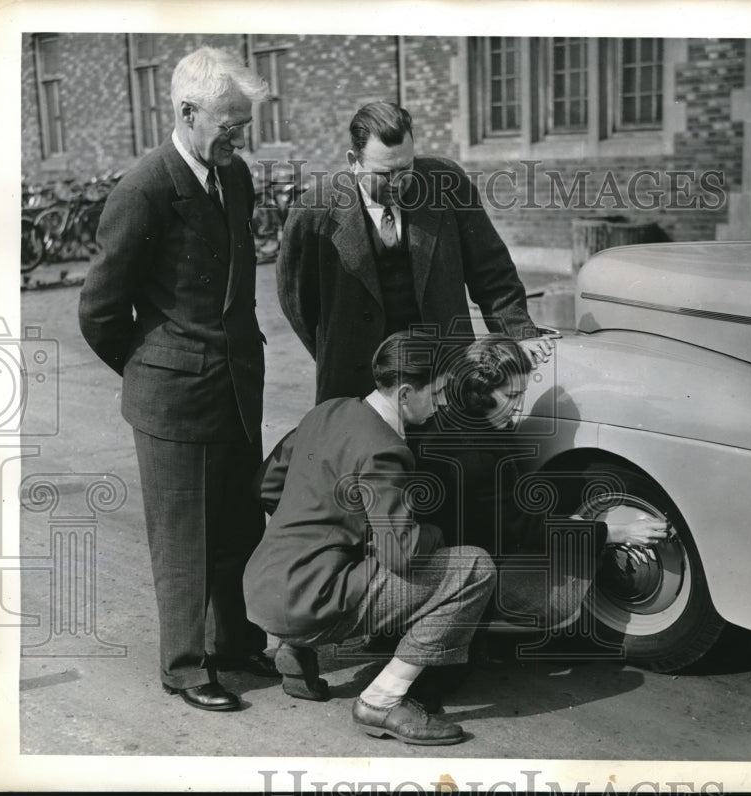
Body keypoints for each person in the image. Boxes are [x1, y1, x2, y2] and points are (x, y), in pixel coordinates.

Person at [78, 47, 276, 712]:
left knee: (237, 521)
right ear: (188, 113)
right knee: (184, 536)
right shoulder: (143, 189)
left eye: (243, 125)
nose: (237, 137)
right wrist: (153, 370)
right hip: (174, 396)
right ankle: (186, 666)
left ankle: (234, 642)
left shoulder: (236, 174)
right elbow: (101, 311)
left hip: (235, 386)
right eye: (228, 125)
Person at [243, 332, 496, 746]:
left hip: (261, 586)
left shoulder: (327, 411)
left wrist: (325, 528)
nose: (442, 403)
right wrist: (435, 531)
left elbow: (266, 486)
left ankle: (294, 647)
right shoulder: (386, 449)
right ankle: (382, 699)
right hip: (307, 600)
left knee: (347, 557)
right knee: (473, 568)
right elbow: (401, 554)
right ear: (406, 393)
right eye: (436, 393)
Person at [408, 335, 672, 703]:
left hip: (456, 553)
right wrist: (613, 531)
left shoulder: (465, 420)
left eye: (521, 396)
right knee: (564, 581)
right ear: (480, 392)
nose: (517, 408)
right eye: (511, 396)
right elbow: (523, 528)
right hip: (457, 572)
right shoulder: (472, 453)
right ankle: (497, 626)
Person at [276, 100, 552, 406]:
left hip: (444, 373)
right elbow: (298, 303)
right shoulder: (314, 211)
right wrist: (336, 353)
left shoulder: (446, 184)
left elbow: (491, 269)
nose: (398, 183)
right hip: (356, 385)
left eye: (405, 168)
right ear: (354, 161)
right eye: (384, 174)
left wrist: (519, 331)